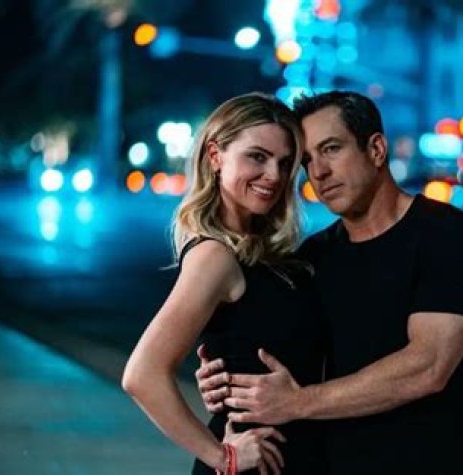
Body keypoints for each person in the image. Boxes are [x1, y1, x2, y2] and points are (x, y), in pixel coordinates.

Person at [196, 91, 463, 474]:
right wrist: (226, 380)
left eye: (331, 149)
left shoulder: (449, 236)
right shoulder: (314, 257)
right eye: (307, 161)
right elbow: (273, 344)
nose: (318, 172)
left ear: (376, 149)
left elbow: (429, 366)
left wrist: (298, 402)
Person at [122, 92, 327, 475]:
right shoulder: (213, 257)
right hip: (254, 464)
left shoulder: (260, 253)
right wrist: (222, 457)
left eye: (285, 163)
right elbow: (143, 374)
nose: (274, 175)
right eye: (257, 157)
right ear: (215, 156)